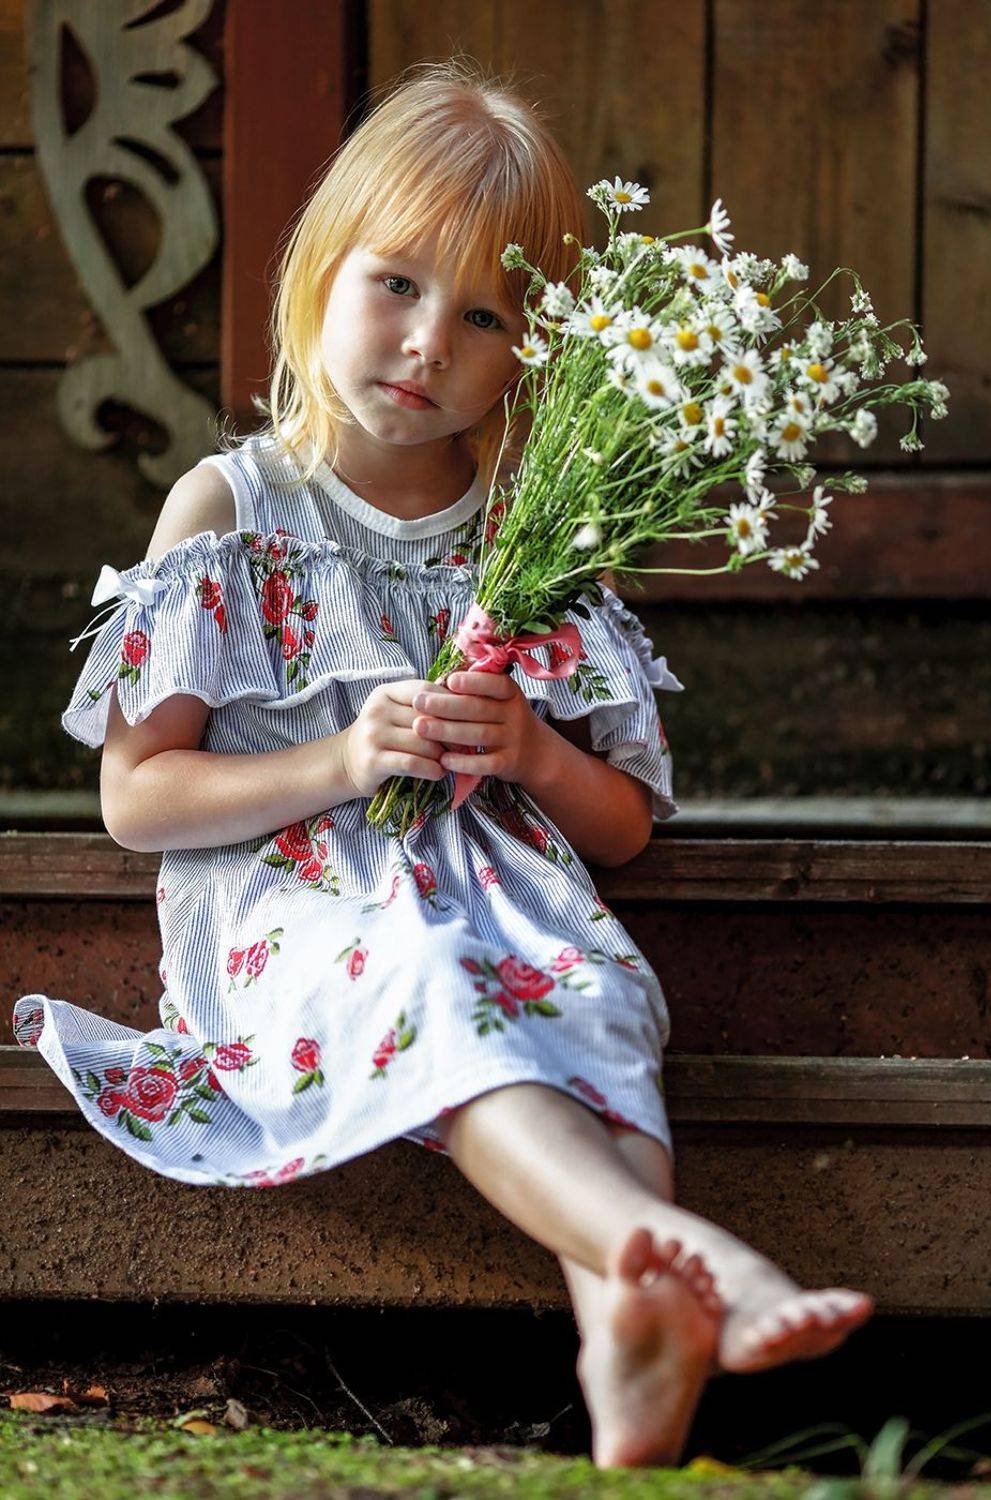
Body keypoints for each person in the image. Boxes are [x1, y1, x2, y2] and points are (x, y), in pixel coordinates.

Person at [13, 56, 873, 1469]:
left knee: (592, 988)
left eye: (482, 315)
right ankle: (679, 1253)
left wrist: (531, 748)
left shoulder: (529, 538)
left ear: (532, 350)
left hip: (504, 894)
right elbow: (136, 800)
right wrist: (346, 757)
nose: (427, 345)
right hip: (294, 903)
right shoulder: (233, 509)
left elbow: (621, 837)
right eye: (396, 284)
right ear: (318, 274)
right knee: (429, 974)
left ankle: (622, 1340)